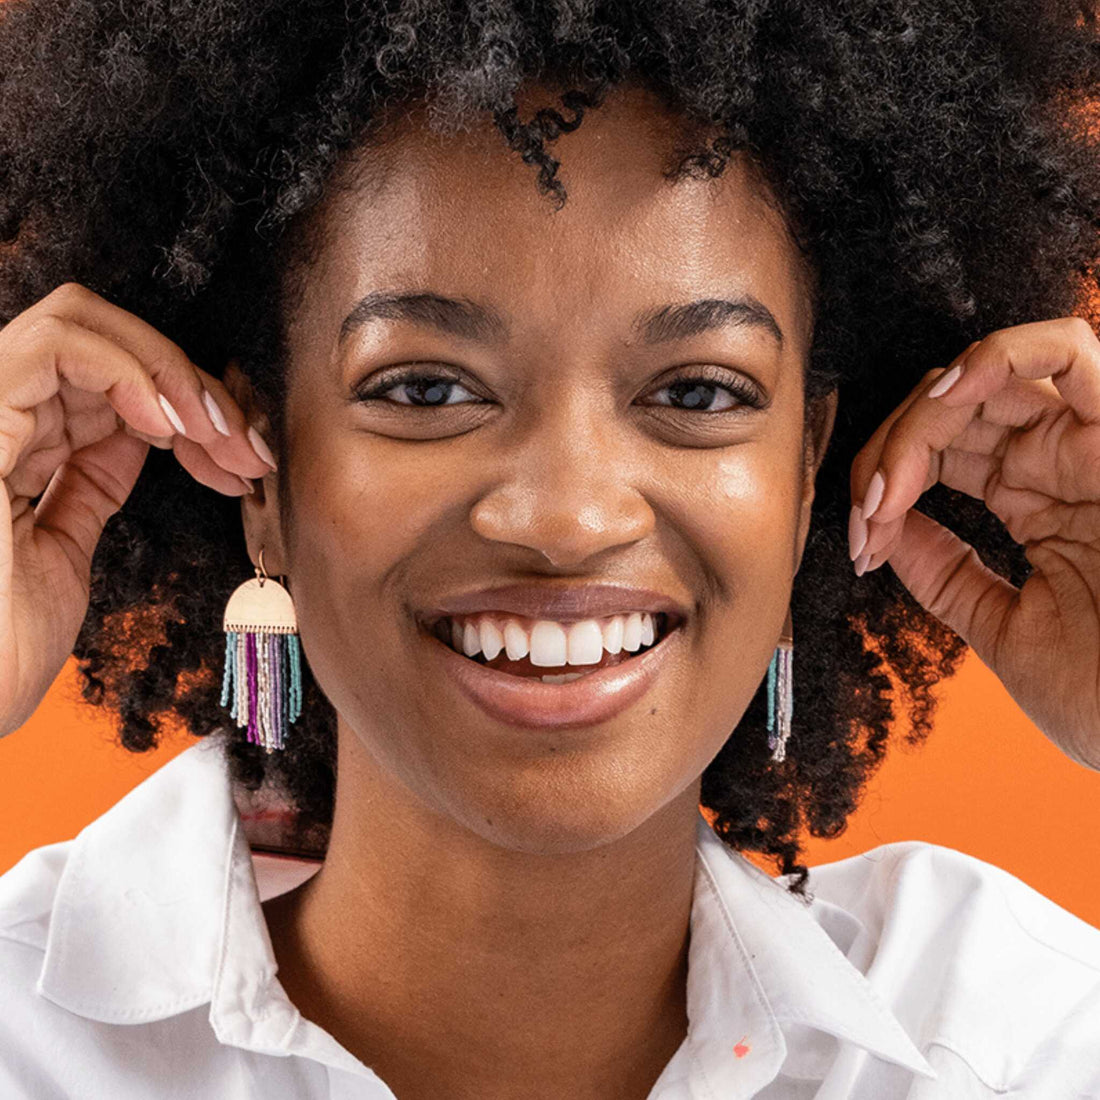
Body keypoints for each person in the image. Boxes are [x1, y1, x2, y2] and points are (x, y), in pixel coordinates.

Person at [1, 0, 1100, 1096]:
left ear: (805, 471)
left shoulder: (1013, 1034)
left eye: (698, 390)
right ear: (261, 470)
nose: (568, 516)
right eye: (424, 387)